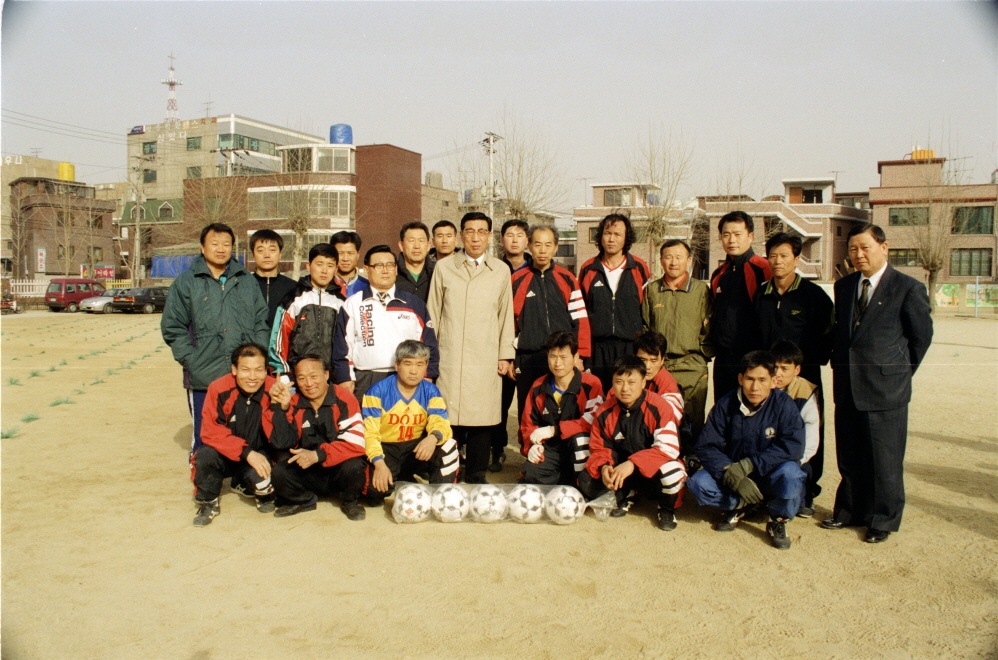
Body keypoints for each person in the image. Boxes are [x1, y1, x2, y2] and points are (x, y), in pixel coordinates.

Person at [822, 223, 932, 544]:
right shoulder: (844, 287)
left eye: (865, 248)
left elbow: (920, 339)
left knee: (884, 460)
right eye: (853, 249)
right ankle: (848, 511)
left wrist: (896, 374)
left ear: (884, 248)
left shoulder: (907, 288)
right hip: (848, 387)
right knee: (849, 456)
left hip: (886, 390)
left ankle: (883, 519)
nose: (858, 255)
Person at [162, 223, 270, 457]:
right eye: (214, 243)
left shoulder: (246, 280)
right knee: (206, 434)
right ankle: (204, 481)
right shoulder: (186, 282)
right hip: (204, 375)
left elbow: (261, 321)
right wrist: (192, 360)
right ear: (202, 247)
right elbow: (173, 327)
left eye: (226, 244)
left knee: (244, 432)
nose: (221, 249)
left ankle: (241, 479)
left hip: (243, 374)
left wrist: (257, 354)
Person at [427, 212, 516, 484]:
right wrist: (431, 358)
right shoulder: (444, 268)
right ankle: (446, 470)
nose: (475, 237)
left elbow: (505, 315)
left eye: (481, 231)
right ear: (460, 236)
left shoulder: (500, 270)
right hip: (450, 354)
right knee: (447, 415)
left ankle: (476, 472)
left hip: (485, 355)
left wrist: (505, 355)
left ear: (490, 236)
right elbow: (433, 313)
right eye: (469, 231)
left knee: (483, 416)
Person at [688, 350, 806, 550]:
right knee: (698, 484)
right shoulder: (726, 404)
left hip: (769, 473)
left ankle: (778, 519)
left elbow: (793, 446)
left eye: (762, 380)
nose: (755, 387)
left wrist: (750, 464)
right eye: (750, 379)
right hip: (734, 474)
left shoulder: (784, 404)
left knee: (792, 474)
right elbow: (707, 446)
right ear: (741, 379)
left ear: (773, 381)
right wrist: (731, 473)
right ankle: (740, 504)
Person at [578, 356, 686, 531]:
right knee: (587, 481)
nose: (625, 388)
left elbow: (668, 448)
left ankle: (666, 508)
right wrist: (605, 466)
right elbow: (599, 447)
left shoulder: (659, 406)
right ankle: (627, 494)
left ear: (644, 382)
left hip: (650, 471)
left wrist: (633, 463)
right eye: (619, 382)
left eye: (631, 382)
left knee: (673, 472)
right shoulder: (605, 410)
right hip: (622, 471)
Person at [511, 225, 591, 447]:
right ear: (529, 246)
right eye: (537, 244)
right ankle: (529, 454)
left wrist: (581, 355)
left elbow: (580, 319)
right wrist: (510, 356)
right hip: (529, 358)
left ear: (556, 247)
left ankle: (562, 454)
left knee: (564, 406)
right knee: (528, 409)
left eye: (548, 245)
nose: (542, 250)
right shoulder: (517, 280)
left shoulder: (567, 279)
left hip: (562, 357)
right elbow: (509, 323)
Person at [332, 245, 439, 400]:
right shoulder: (353, 303)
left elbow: (429, 344)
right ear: (367, 270)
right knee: (369, 424)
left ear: (396, 269)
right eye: (379, 265)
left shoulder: (413, 303)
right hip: (366, 379)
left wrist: (428, 376)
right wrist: (345, 378)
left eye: (390, 265)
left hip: (406, 378)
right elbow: (342, 346)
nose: (385, 270)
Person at [268, 355, 368, 520]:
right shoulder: (293, 401)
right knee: (279, 470)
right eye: (301, 378)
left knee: (354, 465)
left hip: (336, 467)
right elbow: (281, 443)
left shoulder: (344, 398)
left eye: (314, 376)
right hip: (308, 469)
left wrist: (318, 455)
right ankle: (304, 500)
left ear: (326, 375)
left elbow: (356, 441)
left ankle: (350, 501)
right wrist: (280, 408)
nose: (308, 383)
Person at [191, 344, 277, 526]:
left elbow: (282, 436)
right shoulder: (218, 388)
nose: (252, 377)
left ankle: (246, 485)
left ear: (266, 371)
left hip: (259, 451)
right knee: (205, 455)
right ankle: (209, 502)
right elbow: (209, 430)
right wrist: (246, 452)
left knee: (265, 484)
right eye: (245, 370)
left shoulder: (274, 389)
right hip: (228, 454)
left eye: (259, 370)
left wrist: (283, 408)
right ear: (234, 369)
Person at [364, 340, 460, 503]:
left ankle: (441, 495)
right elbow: (369, 434)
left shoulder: (431, 390)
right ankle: (401, 477)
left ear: (426, 366)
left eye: (419, 365)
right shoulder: (377, 391)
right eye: (408, 364)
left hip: (415, 448)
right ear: (397, 365)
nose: (414, 371)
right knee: (375, 494)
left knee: (448, 444)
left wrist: (432, 438)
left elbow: (441, 422)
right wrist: (379, 464)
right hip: (387, 449)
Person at [641, 239, 713, 452]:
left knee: (693, 420)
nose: (673, 262)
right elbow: (645, 325)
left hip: (692, 365)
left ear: (688, 260)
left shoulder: (701, 290)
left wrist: (702, 354)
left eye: (679, 257)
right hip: (660, 366)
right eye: (668, 257)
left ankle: (692, 461)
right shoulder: (652, 290)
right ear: (661, 260)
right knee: (660, 417)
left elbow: (710, 324)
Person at [519, 331, 604, 486]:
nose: (558, 363)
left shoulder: (592, 384)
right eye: (553, 356)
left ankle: (580, 484)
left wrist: (555, 429)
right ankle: (568, 480)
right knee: (530, 474)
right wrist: (533, 445)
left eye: (564, 357)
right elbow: (527, 424)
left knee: (581, 443)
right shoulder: (538, 386)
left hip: (581, 447)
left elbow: (592, 421)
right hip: (551, 448)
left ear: (576, 357)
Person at [578, 214, 650, 392]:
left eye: (617, 234)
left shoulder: (639, 268)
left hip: (629, 347)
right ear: (600, 236)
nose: (611, 238)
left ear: (626, 238)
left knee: (626, 397)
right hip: (597, 349)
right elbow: (580, 314)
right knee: (595, 398)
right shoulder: (588, 269)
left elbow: (646, 310)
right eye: (607, 233)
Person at [755, 232, 834, 393]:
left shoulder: (813, 294)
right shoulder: (761, 294)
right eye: (773, 256)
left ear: (796, 260)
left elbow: (828, 333)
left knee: (805, 417)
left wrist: (806, 362)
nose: (778, 261)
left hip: (804, 375)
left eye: (784, 256)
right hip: (768, 375)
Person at [709, 211, 772, 400]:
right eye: (726, 235)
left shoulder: (763, 269)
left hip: (752, 359)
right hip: (723, 360)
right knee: (724, 409)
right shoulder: (719, 273)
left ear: (750, 236)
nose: (731, 240)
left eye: (737, 234)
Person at [490, 218, 532, 472]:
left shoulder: (536, 269)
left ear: (527, 240)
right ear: (501, 239)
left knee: (529, 405)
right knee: (499, 404)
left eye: (520, 235)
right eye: (509, 234)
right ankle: (497, 450)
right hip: (499, 347)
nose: (514, 239)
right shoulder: (493, 268)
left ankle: (532, 454)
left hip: (529, 350)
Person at [268, 243, 345, 382]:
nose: (324, 270)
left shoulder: (341, 303)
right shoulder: (293, 299)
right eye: (319, 264)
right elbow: (279, 338)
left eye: (330, 265)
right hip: (297, 377)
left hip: (331, 377)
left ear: (336, 269)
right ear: (309, 266)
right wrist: (283, 372)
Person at [770, 340, 821, 518]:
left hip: (793, 456)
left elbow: (812, 438)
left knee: (794, 476)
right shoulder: (760, 383)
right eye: (775, 367)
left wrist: (797, 460)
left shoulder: (805, 392)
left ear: (797, 370)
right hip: (765, 452)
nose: (778, 374)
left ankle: (803, 499)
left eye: (785, 368)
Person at [630, 331, 684, 422]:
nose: (647, 366)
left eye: (654, 360)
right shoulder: (625, 378)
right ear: (634, 357)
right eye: (642, 360)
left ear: (662, 360)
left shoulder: (667, 383)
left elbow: (670, 419)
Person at [250, 229, 297, 331]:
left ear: (280, 254)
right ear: (253, 255)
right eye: (260, 250)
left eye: (272, 250)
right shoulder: (244, 285)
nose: (267, 255)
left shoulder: (294, 288)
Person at [395, 222, 435, 303]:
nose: (417, 246)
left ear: (428, 246)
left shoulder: (438, 271)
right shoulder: (391, 272)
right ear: (401, 245)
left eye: (421, 241)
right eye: (411, 241)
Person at [331, 230, 369, 298]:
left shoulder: (368, 287)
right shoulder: (324, 285)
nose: (345, 259)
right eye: (340, 253)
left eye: (350, 253)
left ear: (358, 254)